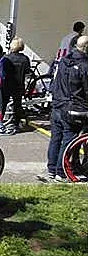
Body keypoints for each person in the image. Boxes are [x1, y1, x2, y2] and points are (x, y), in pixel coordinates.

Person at [40, 35, 88, 182]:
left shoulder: (64, 61)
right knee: (69, 138)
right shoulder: (84, 66)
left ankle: (52, 169)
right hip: (74, 108)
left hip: (58, 105)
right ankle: (62, 172)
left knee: (56, 138)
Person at [2, 37, 31, 134]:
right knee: (17, 104)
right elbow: (27, 72)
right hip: (19, 84)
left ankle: (0, 121)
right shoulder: (25, 59)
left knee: (3, 103)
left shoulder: (6, 58)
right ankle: (16, 122)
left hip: (7, 84)